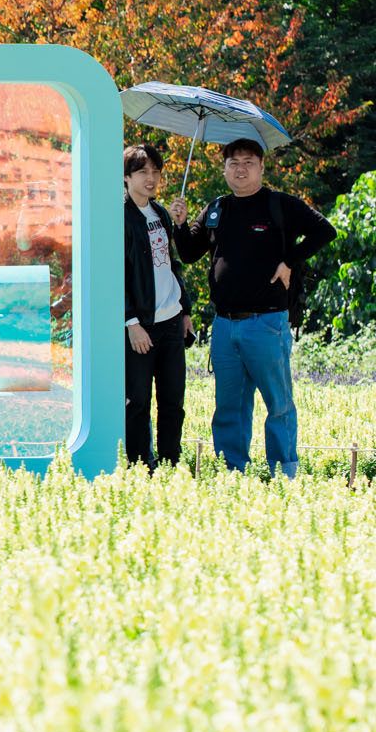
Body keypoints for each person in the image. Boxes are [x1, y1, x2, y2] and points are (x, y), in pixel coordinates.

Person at [171, 137, 337, 477]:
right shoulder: (217, 208)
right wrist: (180, 224)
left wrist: (289, 261)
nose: (240, 169)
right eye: (233, 163)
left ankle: (284, 473)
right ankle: (233, 473)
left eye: (248, 162)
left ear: (262, 167)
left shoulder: (280, 204)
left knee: (278, 404)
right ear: (224, 170)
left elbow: (325, 230)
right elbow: (188, 253)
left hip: (267, 322)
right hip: (224, 324)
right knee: (229, 407)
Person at [122, 144, 193, 469]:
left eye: (155, 171)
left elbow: (173, 265)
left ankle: (169, 464)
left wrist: (185, 310)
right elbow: (116, 274)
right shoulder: (121, 217)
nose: (150, 178)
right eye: (142, 172)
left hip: (172, 321)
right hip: (141, 325)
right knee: (138, 401)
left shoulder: (161, 213)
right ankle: (140, 466)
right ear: (127, 177)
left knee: (173, 400)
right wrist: (131, 322)